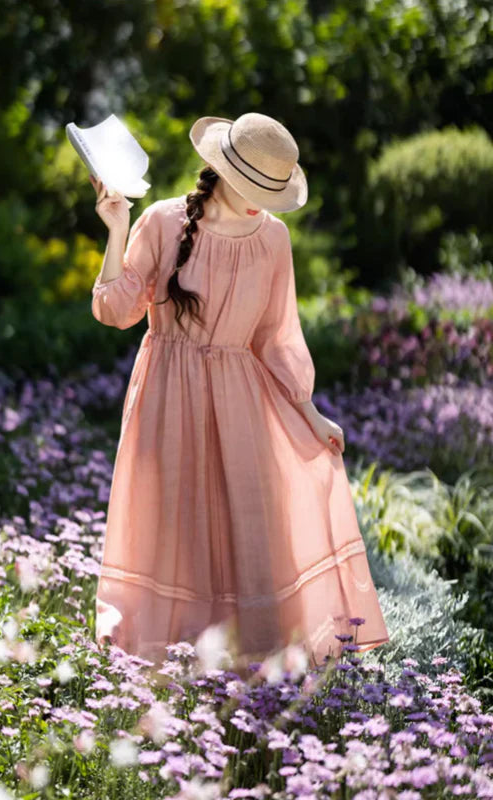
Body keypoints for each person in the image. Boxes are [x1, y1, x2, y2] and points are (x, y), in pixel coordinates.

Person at [89, 112, 390, 670]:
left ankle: (250, 669)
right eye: (252, 186)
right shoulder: (161, 222)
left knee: (250, 531)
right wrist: (115, 228)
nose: (259, 202)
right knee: (172, 529)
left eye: (269, 192)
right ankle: (168, 670)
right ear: (220, 169)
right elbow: (114, 308)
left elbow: (276, 341)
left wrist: (311, 414)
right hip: (167, 400)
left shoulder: (274, 240)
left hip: (240, 405)